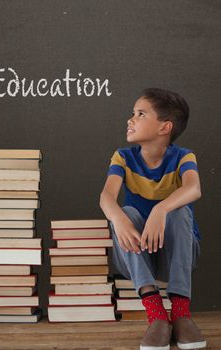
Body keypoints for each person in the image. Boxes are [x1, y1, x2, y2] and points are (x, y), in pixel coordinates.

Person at [99, 88, 207, 350]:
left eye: (140, 114)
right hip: (138, 256)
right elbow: (106, 197)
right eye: (132, 113)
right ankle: (157, 315)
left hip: (177, 256)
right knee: (127, 213)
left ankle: (181, 313)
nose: (130, 119)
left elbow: (194, 189)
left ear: (164, 127)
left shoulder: (183, 157)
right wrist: (120, 219)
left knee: (179, 210)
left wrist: (161, 210)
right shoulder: (123, 157)